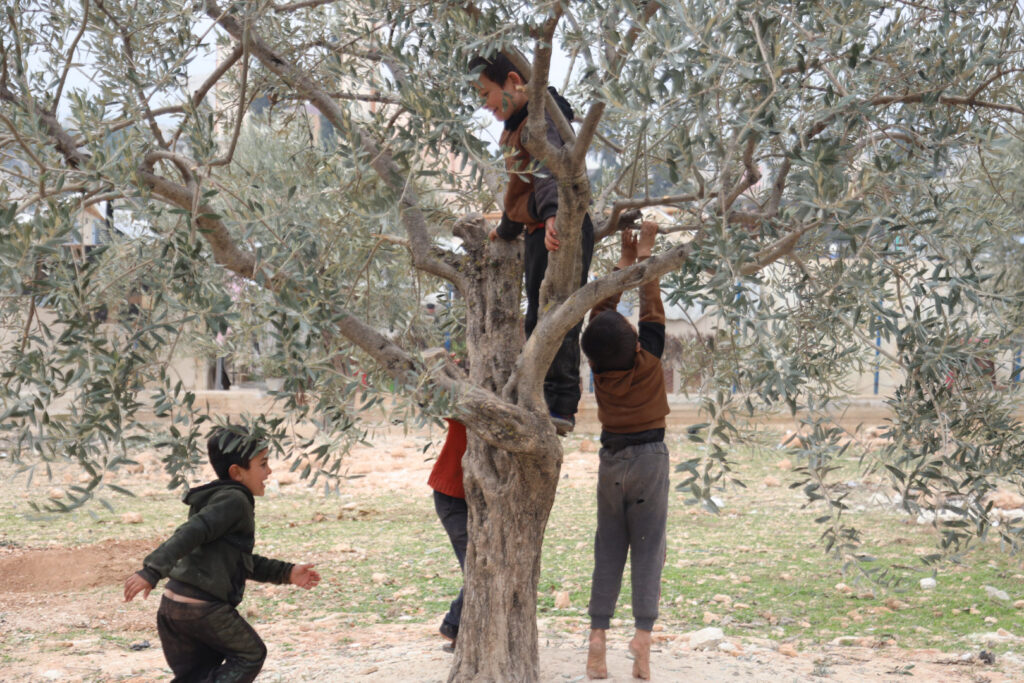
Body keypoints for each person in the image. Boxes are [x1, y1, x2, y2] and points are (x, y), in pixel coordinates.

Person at [123, 426, 321, 682]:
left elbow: (238, 561)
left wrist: (286, 573)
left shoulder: (216, 498)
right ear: (237, 472)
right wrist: (151, 570)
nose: (269, 471)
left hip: (173, 608)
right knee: (251, 654)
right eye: (262, 464)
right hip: (202, 610)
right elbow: (191, 532)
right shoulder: (234, 501)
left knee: (197, 675)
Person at [470, 53, 595, 435]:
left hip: (560, 227)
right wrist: (507, 230)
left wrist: (555, 212)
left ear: (512, 80)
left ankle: (560, 405)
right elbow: (520, 188)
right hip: (541, 229)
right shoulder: (515, 126)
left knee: (558, 316)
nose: (484, 104)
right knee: (537, 317)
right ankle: (536, 397)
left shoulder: (543, 119)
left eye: (487, 93)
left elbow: (547, 171)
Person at [579, 221, 670, 680]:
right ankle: (642, 640)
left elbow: (600, 311)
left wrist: (625, 259)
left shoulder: (597, 367)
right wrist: (647, 256)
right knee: (649, 547)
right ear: (636, 345)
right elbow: (653, 312)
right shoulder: (649, 360)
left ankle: (597, 641)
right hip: (650, 461)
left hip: (611, 460)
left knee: (609, 547)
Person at [427, 418, 469, 648]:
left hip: (474, 497)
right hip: (451, 496)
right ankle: (453, 626)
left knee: (483, 564)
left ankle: (457, 629)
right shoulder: (467, 409)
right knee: (478, 566)